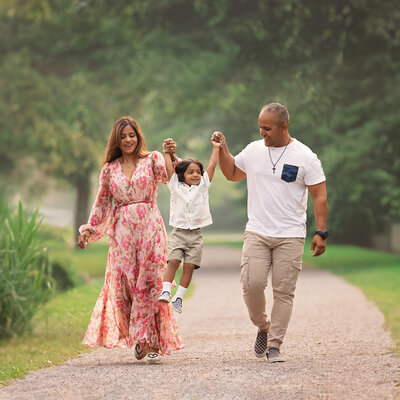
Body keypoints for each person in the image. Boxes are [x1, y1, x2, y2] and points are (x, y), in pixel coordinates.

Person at [213, 102, 328, 363]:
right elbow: (231, 173)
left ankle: (274, 345)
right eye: (260, 127)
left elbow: (319, 196)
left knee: (283, 292)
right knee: (251, 284)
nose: (262, 132)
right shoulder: (254, 150)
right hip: (257, 231)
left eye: (267, 128)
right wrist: (223, 149)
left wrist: (321, 231)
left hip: (291, 234)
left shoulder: (305, 156)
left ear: (284, 127)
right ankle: (263, 326)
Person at [78, 116, 184, 363]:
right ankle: (139, 336)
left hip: (150, 229)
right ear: (117, 140)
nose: (128, 140)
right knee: (126, 286)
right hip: (123, 235)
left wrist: (171, 155)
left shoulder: (152, 159)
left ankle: (153, 341)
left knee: (152, 283)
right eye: (123, 136)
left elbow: (171, 179)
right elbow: (102, 203)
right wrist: (89, 229)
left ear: (138, 137)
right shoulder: (109, 169)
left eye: (132, 135)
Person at [158, 137, 221, 313]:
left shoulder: (203, 186)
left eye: (198, 172)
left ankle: (178, 298)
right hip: (178, 233)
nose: (195, 175)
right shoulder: (175, 186)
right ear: (182, 175)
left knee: (189, 266)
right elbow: (169, 168)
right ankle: (165, 291)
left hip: (195, 235)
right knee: (173, 262)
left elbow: (212, 165)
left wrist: (216, 148)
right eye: (190, 172)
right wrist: (167, 153)